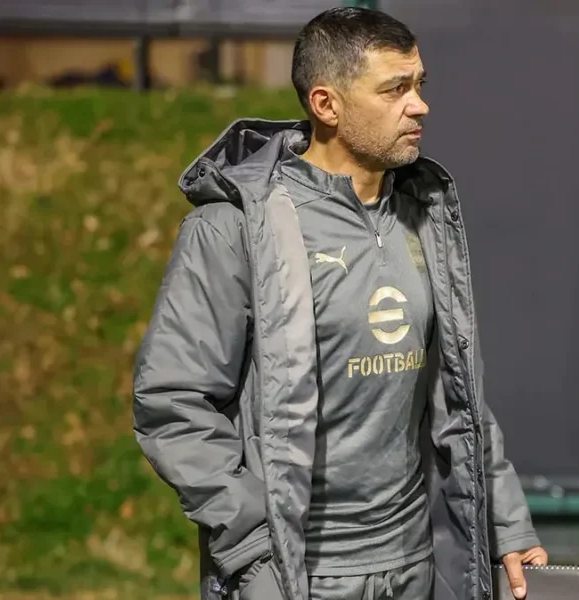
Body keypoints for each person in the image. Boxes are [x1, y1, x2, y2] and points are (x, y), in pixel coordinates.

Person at [132, 7, 547, 600]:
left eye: (419, 84)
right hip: (300, 576)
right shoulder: (233, 229)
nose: (420, 105)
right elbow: (174, 404)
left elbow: (460, 395)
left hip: (416, 566)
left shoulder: (425, 215)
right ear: (326, 105)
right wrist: (253, 556)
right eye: (395, 89)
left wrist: (504, 524)